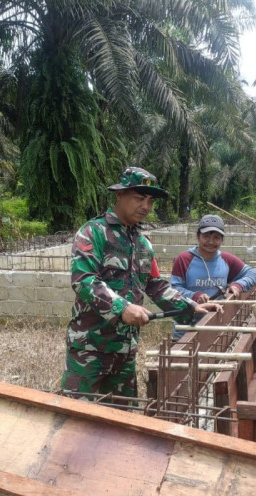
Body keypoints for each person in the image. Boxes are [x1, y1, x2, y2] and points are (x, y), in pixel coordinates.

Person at [63, 166, 222, 401]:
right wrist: (122, 307)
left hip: (126, 351)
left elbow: (154, 284)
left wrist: (189, 306)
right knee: (76, 422)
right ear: (119, 195)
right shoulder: (93, 232)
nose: (146, 207)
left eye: (150, 201)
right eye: (139, 199)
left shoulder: (143, 242)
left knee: (122, 422)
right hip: (90, 349)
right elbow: (84, 280)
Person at [170, 215, 256, 339]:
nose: (211, 242)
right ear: (198, 236)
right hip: (186, 327)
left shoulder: (226, 260)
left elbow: (253, 274)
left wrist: (238, 285)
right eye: (206, 237)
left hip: (216, 326)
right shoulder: (184, 259)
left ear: (222, 240)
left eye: (216, 238)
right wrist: (195, 295)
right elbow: (175, 289)